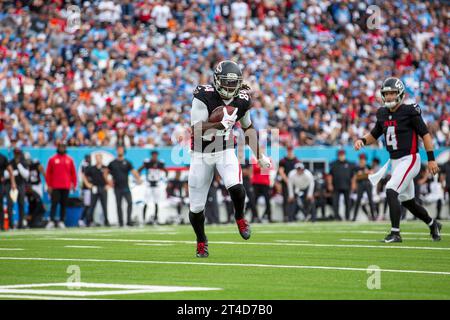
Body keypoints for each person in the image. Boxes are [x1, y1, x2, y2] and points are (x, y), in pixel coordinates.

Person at [189, 60, 271, 257]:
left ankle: (240, 217)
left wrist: (259, 155)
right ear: (216, 81)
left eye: (233, 83)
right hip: (201, 152)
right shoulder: (203, 96)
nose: (230, 87)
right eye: (226, 82)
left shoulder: (242, 98)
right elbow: (196, 129)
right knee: (196, 207)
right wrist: (219, 125)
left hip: (224, 148)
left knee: (235, 184)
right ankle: (201, 240)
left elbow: (248, 127)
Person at [354, 77, 441, 242]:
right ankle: (432, 224)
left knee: (391, 189)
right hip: (394, 161)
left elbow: (425, 135)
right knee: (408, 202)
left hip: (410, 158)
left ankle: (395, 233)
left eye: (393, 93)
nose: (389, 97)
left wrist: (431, 159)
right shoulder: (382, 113)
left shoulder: (410, 111)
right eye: (386, 94)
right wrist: (362, 140)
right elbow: (374, 134)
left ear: (400, 94)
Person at [105, 145, 143, 227]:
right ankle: (121, 222)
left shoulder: (127, 162)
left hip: (125, 186)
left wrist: (138, 179)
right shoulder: (112, 163)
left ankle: (129, 221)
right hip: (117, 187)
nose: (119, 151)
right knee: (118, 205)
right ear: (116, 151)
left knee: (129, 203)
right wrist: (108, 182)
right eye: (118, 149)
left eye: (121, 149)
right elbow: (105, 173)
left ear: (123, 151)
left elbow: (134, 172)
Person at [45, 141, 77, 228]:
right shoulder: (52, 159)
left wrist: (74, 184)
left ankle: (62, 221)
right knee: (54, 204)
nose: (62, 148)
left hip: (66, 186)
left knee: (64, 204)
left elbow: (73, 173)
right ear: (58, 148)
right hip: (55, 186)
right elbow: (48, 173)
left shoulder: (69, 160)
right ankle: (51, 220)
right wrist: (49, 185)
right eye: (60, 147)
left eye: (63, 147)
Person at [138, 150, 167, 225]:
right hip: (148, 185)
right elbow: (139, 169)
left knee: (156, 202)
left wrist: (164, 179)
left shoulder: (160, 163)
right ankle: (143, 219)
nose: (154, 156)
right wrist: (139, 177)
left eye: (155, 155)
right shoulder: (148, 163)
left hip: (157, 185)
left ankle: (155, 219)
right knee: (146, 202)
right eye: (153, 155)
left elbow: (166, 171)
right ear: (151, 155)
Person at [83, 153, 109, 226]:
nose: (98, 159)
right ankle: (89, 221)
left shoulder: (105, 168)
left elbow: (110, 177)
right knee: (92, 205)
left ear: (101, 158)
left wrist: (108, 185)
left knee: (104, 205)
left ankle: (106, 221)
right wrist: (87, 184)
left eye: (99, 158)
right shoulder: (92, 168)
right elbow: (84, 175)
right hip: (94, 188)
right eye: (97, 158)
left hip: (103, 188)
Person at [6, 148, 30, 229]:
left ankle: (21, 224)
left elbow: (26, 175)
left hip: (21, 185)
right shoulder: (10, 162)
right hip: (11, 186)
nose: (17, 155)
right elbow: (6, 174)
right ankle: (11, 224)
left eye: (18, 153)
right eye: (16, 153)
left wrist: (18, 165)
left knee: (21, 205)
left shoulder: (23, 162)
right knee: (10, 205)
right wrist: (13, 173)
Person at [328, 150, 354, 221]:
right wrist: (330, 184)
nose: (341, 156)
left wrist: (353, 184)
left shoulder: (350, 164)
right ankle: (336, 217)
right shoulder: (334, 164)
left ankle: (347, 217)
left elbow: (353, 176)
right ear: (338, 155)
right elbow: (330, 175)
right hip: (336, 186)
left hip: (347, 185)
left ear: (345, 155)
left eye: (342, 155)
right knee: (335, 202)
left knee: (348, 203)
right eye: (340, 155)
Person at [352, 154, 376, 221]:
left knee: (370, 200)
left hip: (368, 184)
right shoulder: (357, 167)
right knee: (358, 200)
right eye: (361, 159)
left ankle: (373, 216)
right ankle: (354, 217)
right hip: (360, 184)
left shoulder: (368, 166)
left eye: (363, 159)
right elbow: (356, 176)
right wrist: (364, 174)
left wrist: (364, 173)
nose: (362, 160)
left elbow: (372, 173)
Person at [278, 146, 299, 222]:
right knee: (286, 200)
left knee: (294, 200)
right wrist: (287, 181)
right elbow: (281, 171)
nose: (290, 152)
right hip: (286, 183)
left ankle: (293, 215)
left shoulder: (296, 161)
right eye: (289, 151)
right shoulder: (283, 161)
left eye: (291, 151)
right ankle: (286, 216)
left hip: (295, 183)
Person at [0, 152, 16, 230]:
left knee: (2, 205)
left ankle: (2, 225)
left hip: (1, 185)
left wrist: (13, 182)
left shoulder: (2, 157)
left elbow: (10, 169)